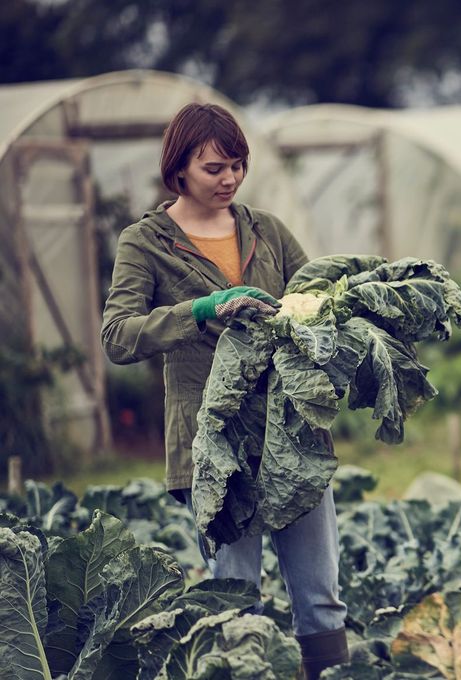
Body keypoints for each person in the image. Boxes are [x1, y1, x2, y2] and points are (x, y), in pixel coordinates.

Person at [101, 103, 347, 677]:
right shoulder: (145, 242)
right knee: (235, 598)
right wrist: (201, 309)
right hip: (212, 446)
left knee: (320, 594)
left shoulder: (267, 230)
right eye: (214, 168)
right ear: (179, 168)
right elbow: (118, 335)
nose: (230, 179)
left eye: (238, 165)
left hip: (292, 435)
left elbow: (318, 302)